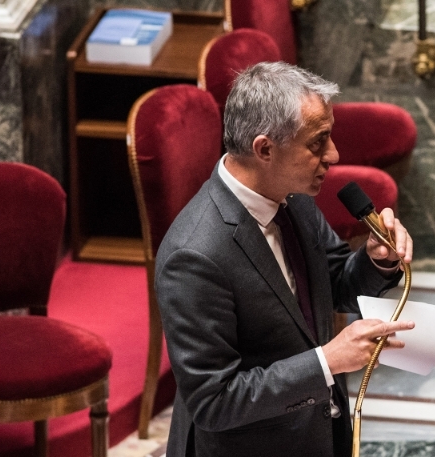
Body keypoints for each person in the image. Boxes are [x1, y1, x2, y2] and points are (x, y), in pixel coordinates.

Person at [155, 61, 415, 457]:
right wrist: (326, 362)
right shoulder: (194, 254)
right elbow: (215, 400)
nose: (333, 154)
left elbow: (335, 282)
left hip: (314, 434)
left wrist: (376, 260)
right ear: (265, 149)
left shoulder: (291, 197)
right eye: (318, 141)